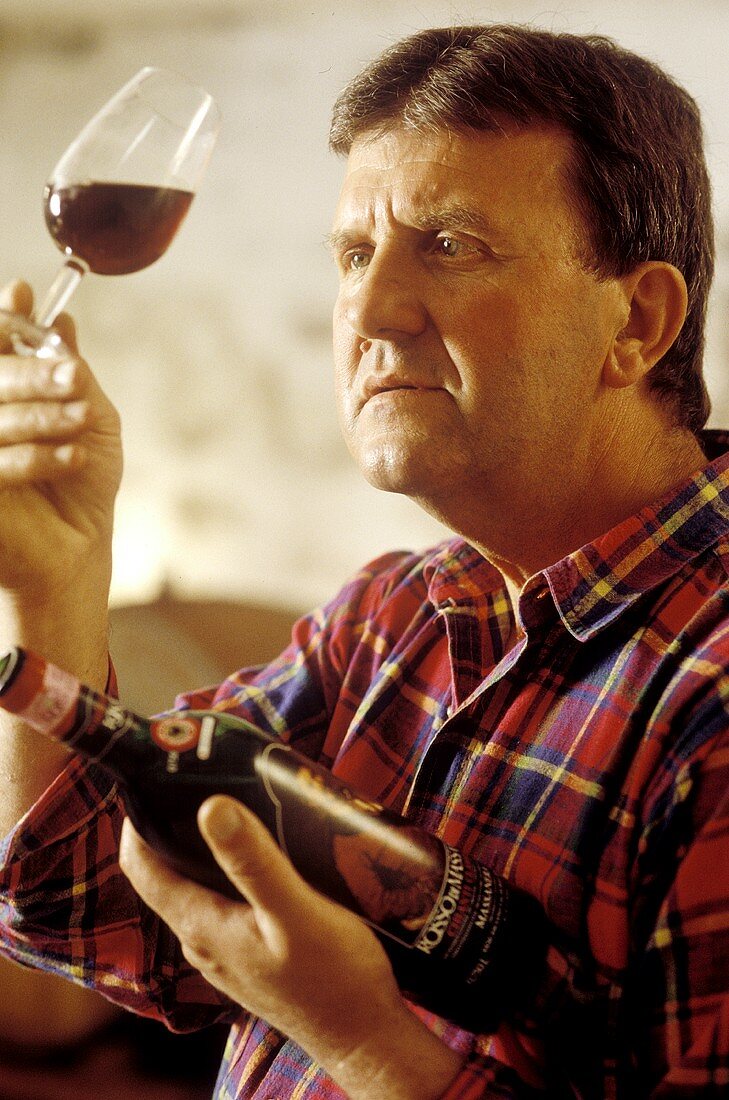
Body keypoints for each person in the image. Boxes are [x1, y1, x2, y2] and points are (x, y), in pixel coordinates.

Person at [0, 22, 727, 1098]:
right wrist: (57, 580)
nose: (373, 310)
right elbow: (78, 898)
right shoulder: (392, 615)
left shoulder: (708, 691)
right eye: (353, 252)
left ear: (640, 321)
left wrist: (360, 1038)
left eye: (450, 245)